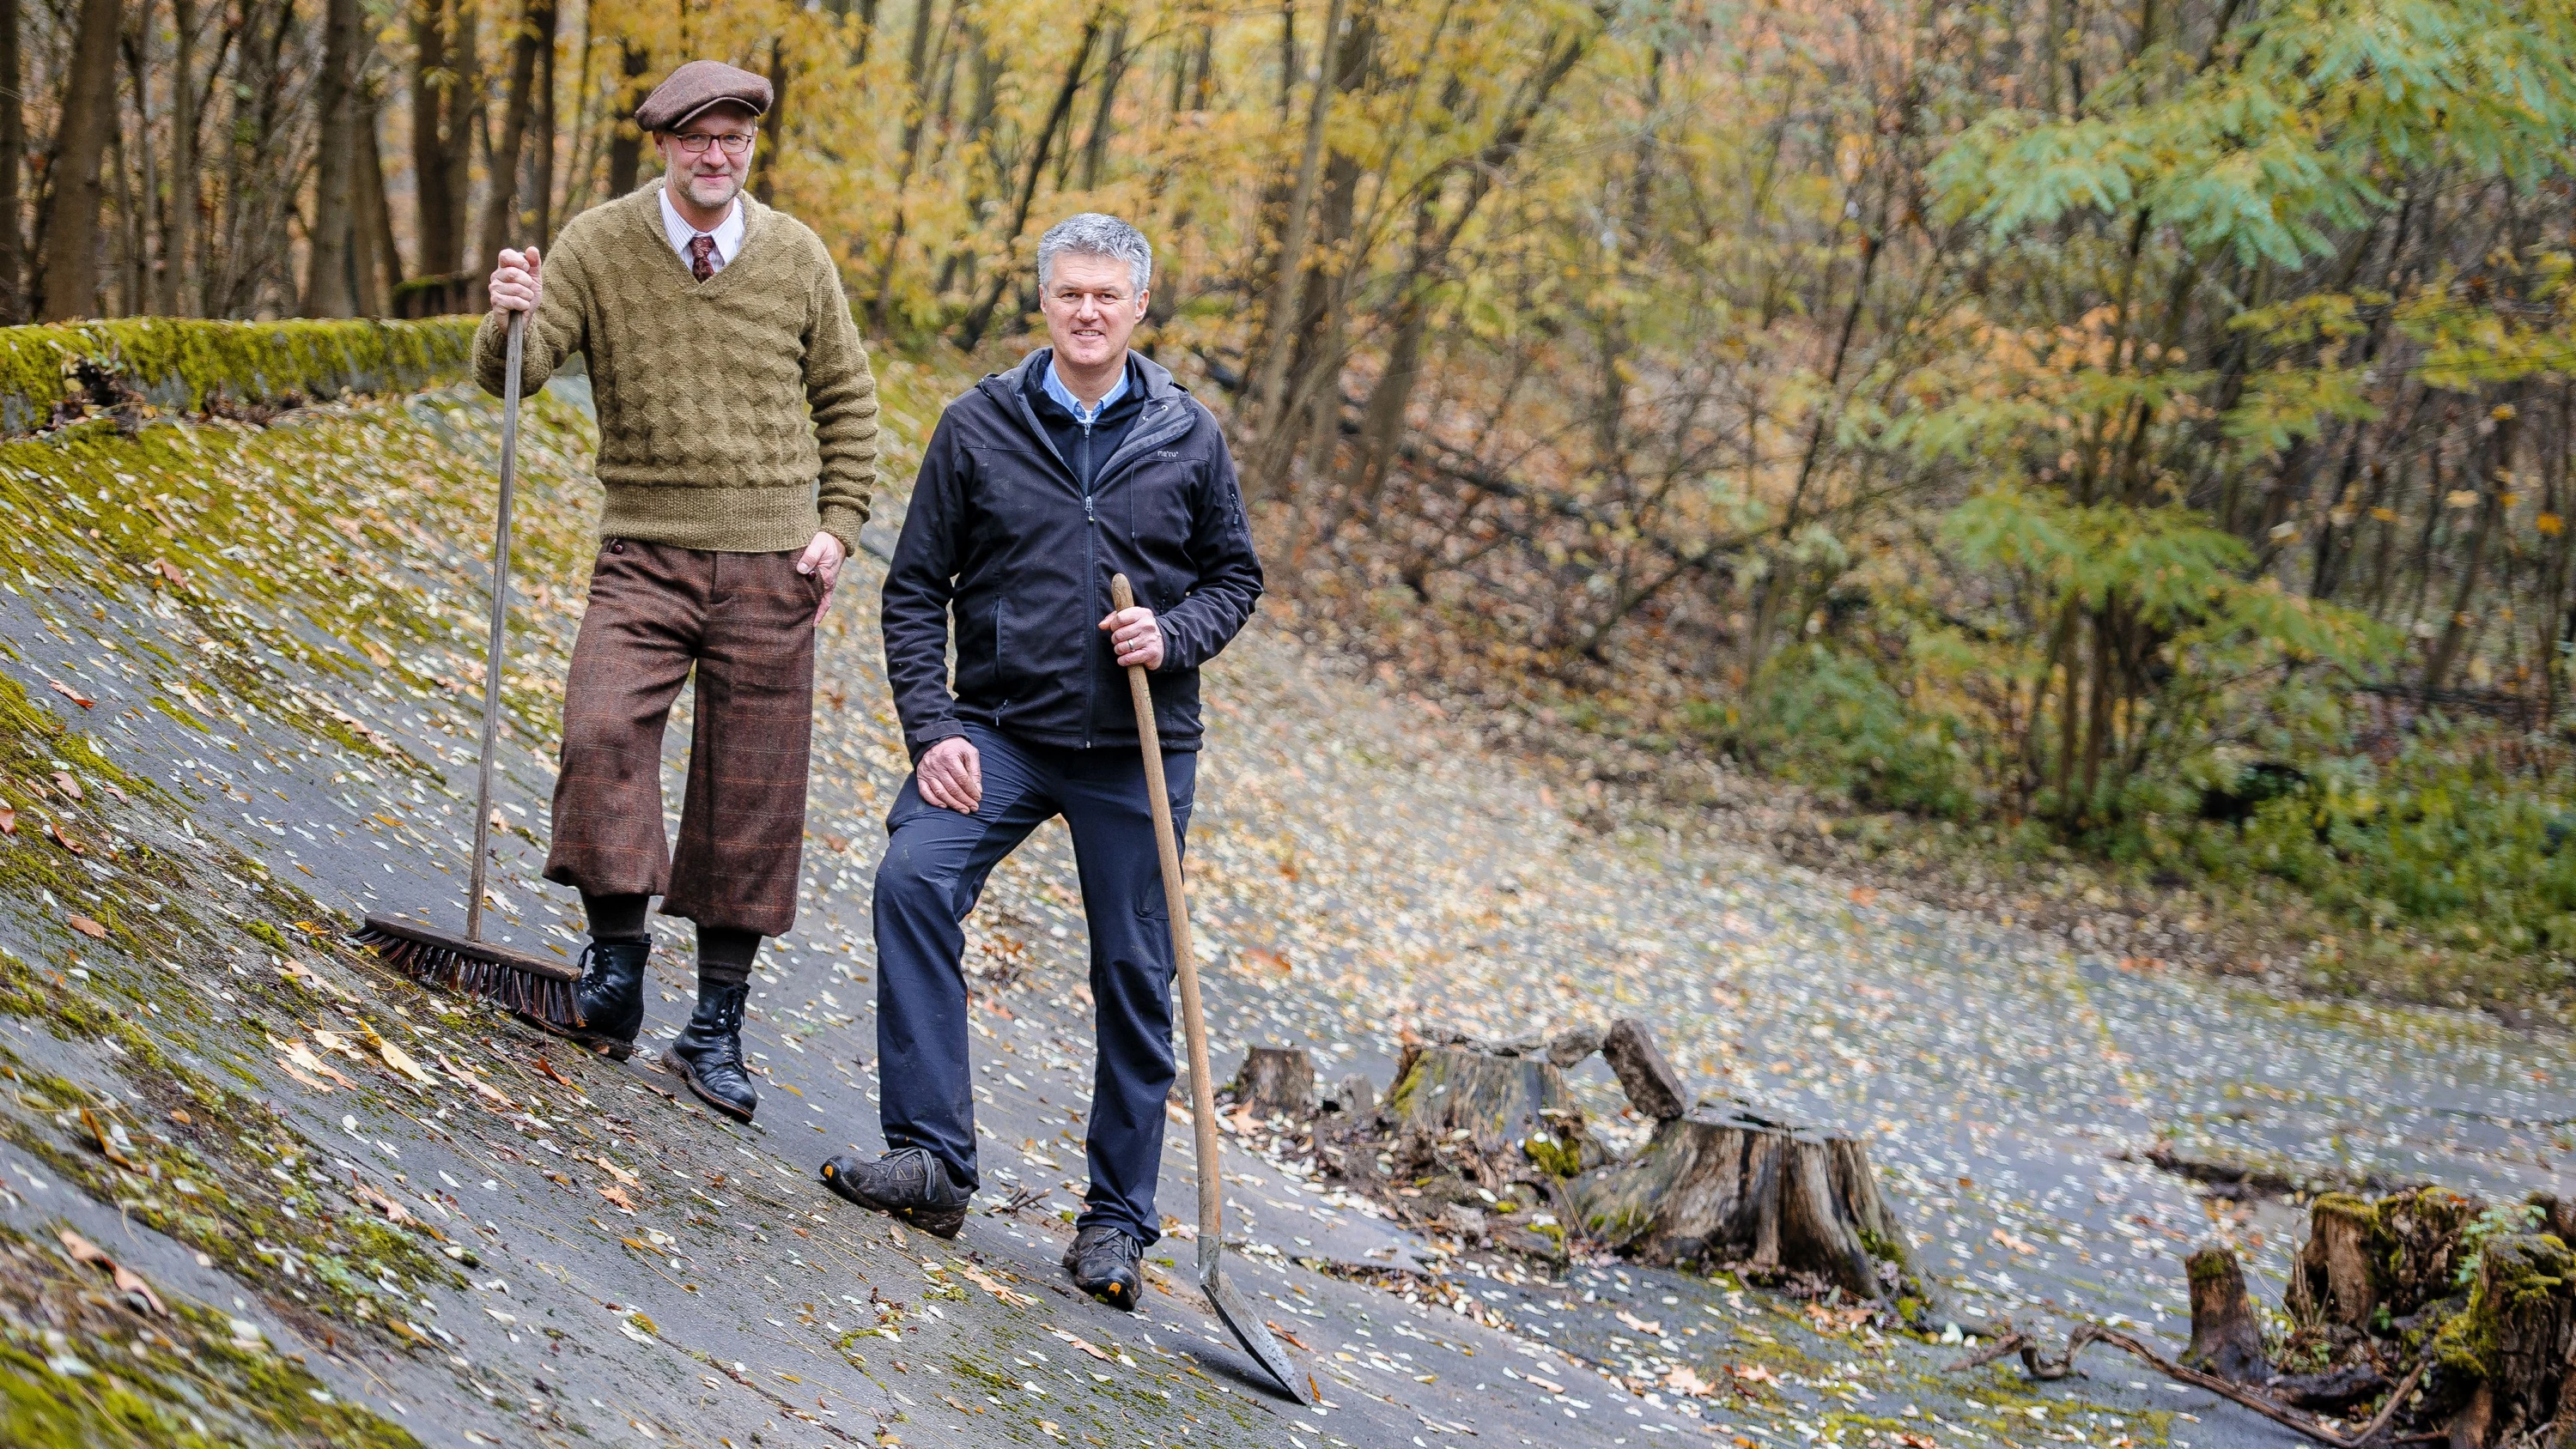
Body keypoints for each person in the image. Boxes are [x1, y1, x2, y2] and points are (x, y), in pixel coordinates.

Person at [819, 214, 1263, 1309]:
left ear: (1139, 306)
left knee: (1133, 972)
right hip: (1003, 730)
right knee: (913, 875)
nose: (1088, 310)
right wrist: (937, 730)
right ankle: (931, 1158)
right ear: (1045, 300)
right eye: (1070, 292)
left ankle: (1116, 1221)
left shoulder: (1187, 434)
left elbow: (1235, 580)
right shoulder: (978, 426)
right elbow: (916, 588)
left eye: (1108, 294)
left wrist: (1174, 635)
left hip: (1137, 748)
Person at [477, 58, 878, 1125]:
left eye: (734, 137)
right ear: (663, 143)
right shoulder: (597, 243)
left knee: (751, 789)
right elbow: (515, 370)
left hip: (773, 560)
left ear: (752, 146)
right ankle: (614, 975)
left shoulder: (796, 257)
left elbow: (848, 400)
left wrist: (838, 529)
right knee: (601, 731)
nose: (716, 154)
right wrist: (508, 313)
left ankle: (717, 1023)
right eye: (697, 137)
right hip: (644, 549)